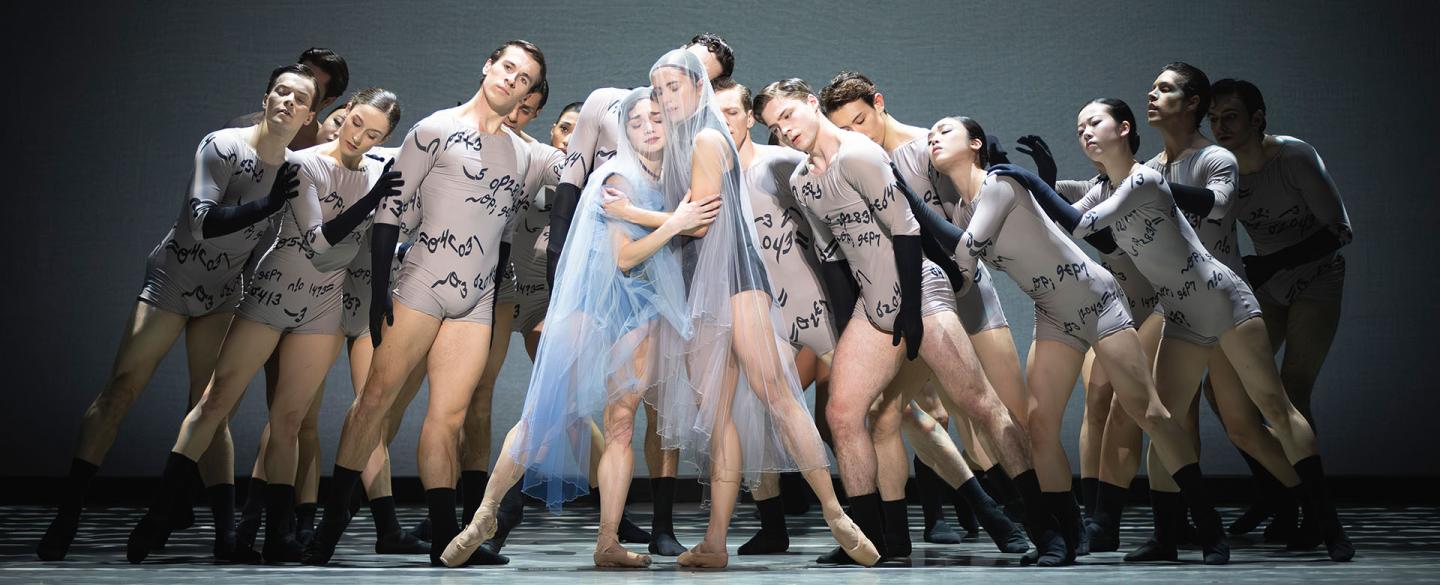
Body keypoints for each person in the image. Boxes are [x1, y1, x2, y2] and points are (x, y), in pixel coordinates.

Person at [1019, 96, 1353, 563]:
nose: (1086, 133)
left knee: (1275, 407)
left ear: (1124, 128)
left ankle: (1329, 524)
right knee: (1165, 423)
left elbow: (1083, 223)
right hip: (1180, 313)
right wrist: (1030, 182)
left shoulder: (1145, 177)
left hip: (1220, 298)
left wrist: (1035, 181)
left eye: (1095, 122)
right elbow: (1068, 219)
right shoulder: (1103, 188)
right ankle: (1166, 537)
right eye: (1079, 129)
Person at [755, 78, 1060, 566]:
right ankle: (874, 542)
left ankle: (1047, 532)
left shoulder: (858, 155)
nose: (785, 129)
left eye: (789, 115)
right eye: (774, 125)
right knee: (841, 414)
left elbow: (906, 229)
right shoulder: (801, 182)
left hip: (921, 288)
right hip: (874, 305)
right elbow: (834, 261)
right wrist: (846, 331)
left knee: (977, 403)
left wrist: (914, 314)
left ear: (812, 104)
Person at [37, 64, 320, 562]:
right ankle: (68, 514)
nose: (287, 103)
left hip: (221, 292)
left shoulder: (297, 168)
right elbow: (199, 223)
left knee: (210, 408)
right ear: (266, 95)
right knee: (121, 388)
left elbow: (271, 245)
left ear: (310, 115)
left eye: (299, 99)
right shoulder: (224, 145)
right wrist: (269, 204)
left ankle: (225, 536)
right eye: (281, 92)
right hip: (176, 277)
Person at [126, 88, 404, 565]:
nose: (359, 136)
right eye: (356, 122)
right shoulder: (304, 163)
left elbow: (429, 150)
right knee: (216, 401)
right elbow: (319, 241)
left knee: (290, 420)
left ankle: (279, 534)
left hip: (322, 306)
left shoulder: (380, 167)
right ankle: (158, 514)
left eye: (374, 133)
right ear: (347, 112)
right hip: (272, 293)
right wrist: (374, 197)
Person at [302, 40, 546, 567]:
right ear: (488, 65)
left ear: (530, 91)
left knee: (450, 418)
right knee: (375, 401)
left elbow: (504, 228)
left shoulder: (524, 153)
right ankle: (329, 530)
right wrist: (377, 294)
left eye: (524, 78)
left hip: (477, 297)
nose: (512, 80)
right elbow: (390, 210)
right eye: (507, 68)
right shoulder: (434, 128)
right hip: (420, 286)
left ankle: (443, 539)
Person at [819, 70, 1029, 553]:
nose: (855, 136)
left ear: (879, 102)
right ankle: (899, 534)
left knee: (995, 413)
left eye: (860, 122)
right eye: (844, 130)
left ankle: (1040, 521)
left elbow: (977, 210)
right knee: (888, 414)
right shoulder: (853, 164)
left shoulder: (926, 145)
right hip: (917, 301)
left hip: (967, 294)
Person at [1209, 78, 1353, 541]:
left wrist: (1271, 261)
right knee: (1225, 389)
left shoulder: (1293, 156)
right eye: (1213, 118)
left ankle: (1314, 511)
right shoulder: (1224, 167)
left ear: (1257, 118)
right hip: (1268, 288)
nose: (1220, 126)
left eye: (1230, 116)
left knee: (1290, 391)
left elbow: (1339, 230)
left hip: (1317, 279)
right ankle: (1276, 494)